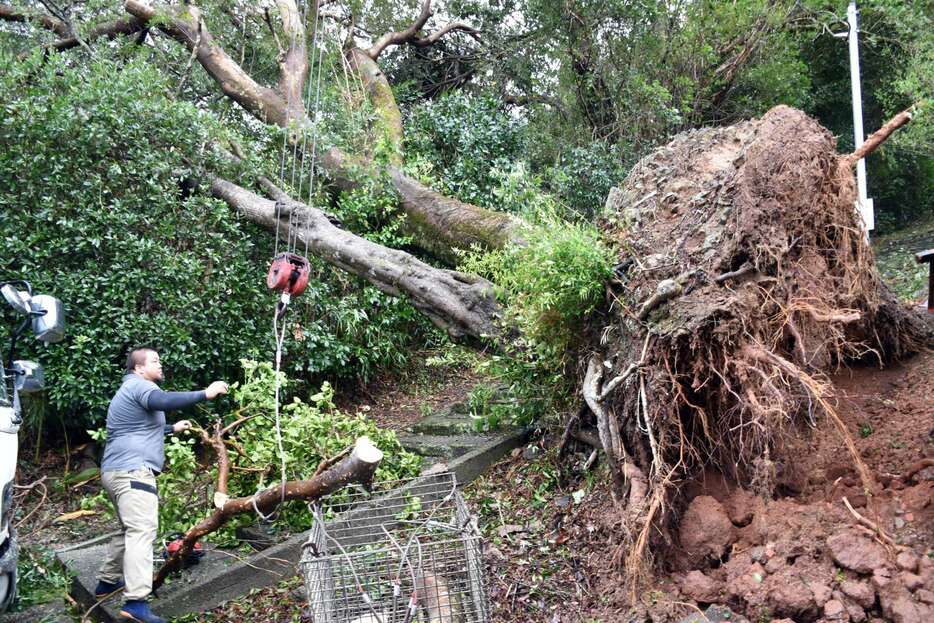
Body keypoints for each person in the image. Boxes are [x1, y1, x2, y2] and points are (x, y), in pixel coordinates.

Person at [94, 347, 228, 623]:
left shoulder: (128, 391)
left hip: (115, 471)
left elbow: (135, 428)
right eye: (154, 360)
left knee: (127, 529)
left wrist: (171, 429)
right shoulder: (141, 387)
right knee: (142, 531)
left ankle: (107, 583)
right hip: (133, 471)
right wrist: (206, 393)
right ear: (138, 368)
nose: (160, 364)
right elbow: (163, 400)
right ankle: (135, 602)